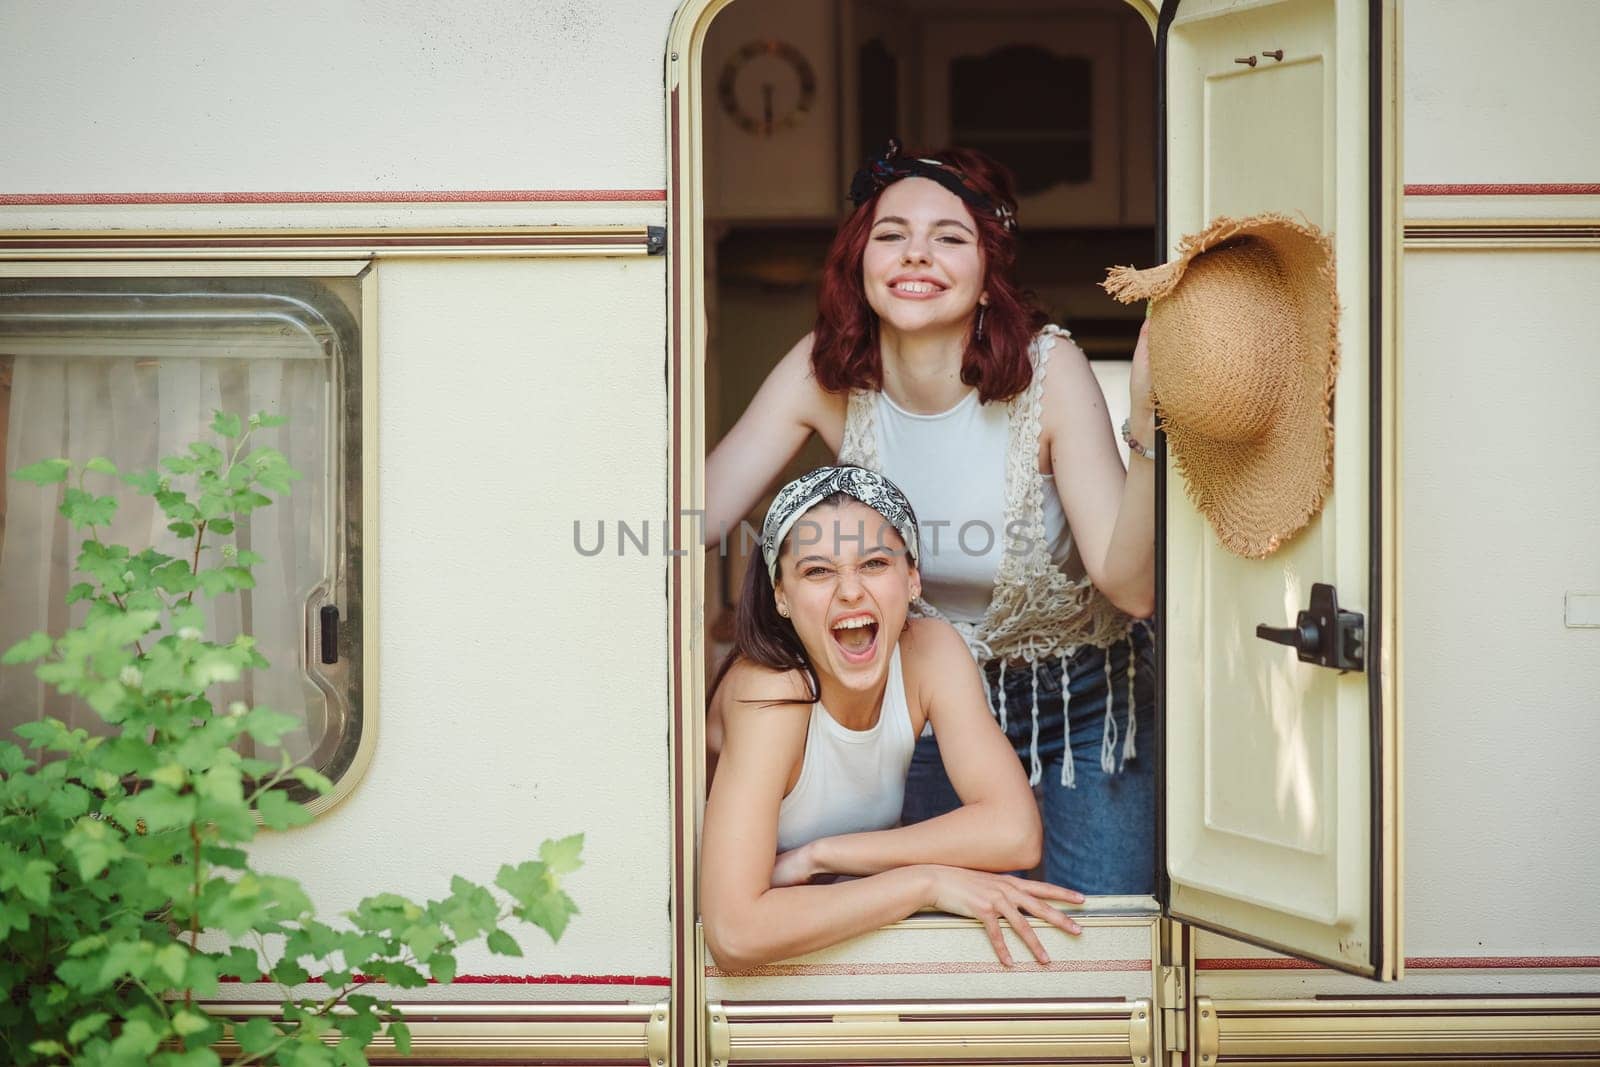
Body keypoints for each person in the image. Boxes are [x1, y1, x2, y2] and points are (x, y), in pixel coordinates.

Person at [706, 141, 1157, 895]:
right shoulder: (825, 370)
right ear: (860, 263)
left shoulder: (1052, 371)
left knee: (1095, 931)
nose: (917, 254)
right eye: (891, 234)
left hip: (1083, 705)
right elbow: (696, 510)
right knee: (930, 939)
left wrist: (1147, 424)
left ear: (988, 275)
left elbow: (1131, 587)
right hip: (919, 701)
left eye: (949, 237)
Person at [700, 465, 1085, 971]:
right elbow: (735, 933)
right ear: (781, 597)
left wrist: (823, 855)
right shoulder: (771, 693)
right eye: (817, 571)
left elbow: (1014, 832)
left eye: (875, 563)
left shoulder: (931, 651)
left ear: (912, 578)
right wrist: (924, 881)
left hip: (835, 933)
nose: (851, 591)